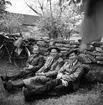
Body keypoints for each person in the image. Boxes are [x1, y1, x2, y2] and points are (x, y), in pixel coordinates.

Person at [22, 49, 90, 101]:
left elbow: (75, 77)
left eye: (72, 55)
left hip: (72, 84)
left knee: (56, 89)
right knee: (50, 83)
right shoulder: (67, 63)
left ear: (76, 56)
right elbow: (60, 71)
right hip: (61, 79)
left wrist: (62, 77)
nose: (71, 58)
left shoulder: (80, 66)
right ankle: (31, 94)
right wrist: (61, 77)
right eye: (69, 56)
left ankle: (31, 94)